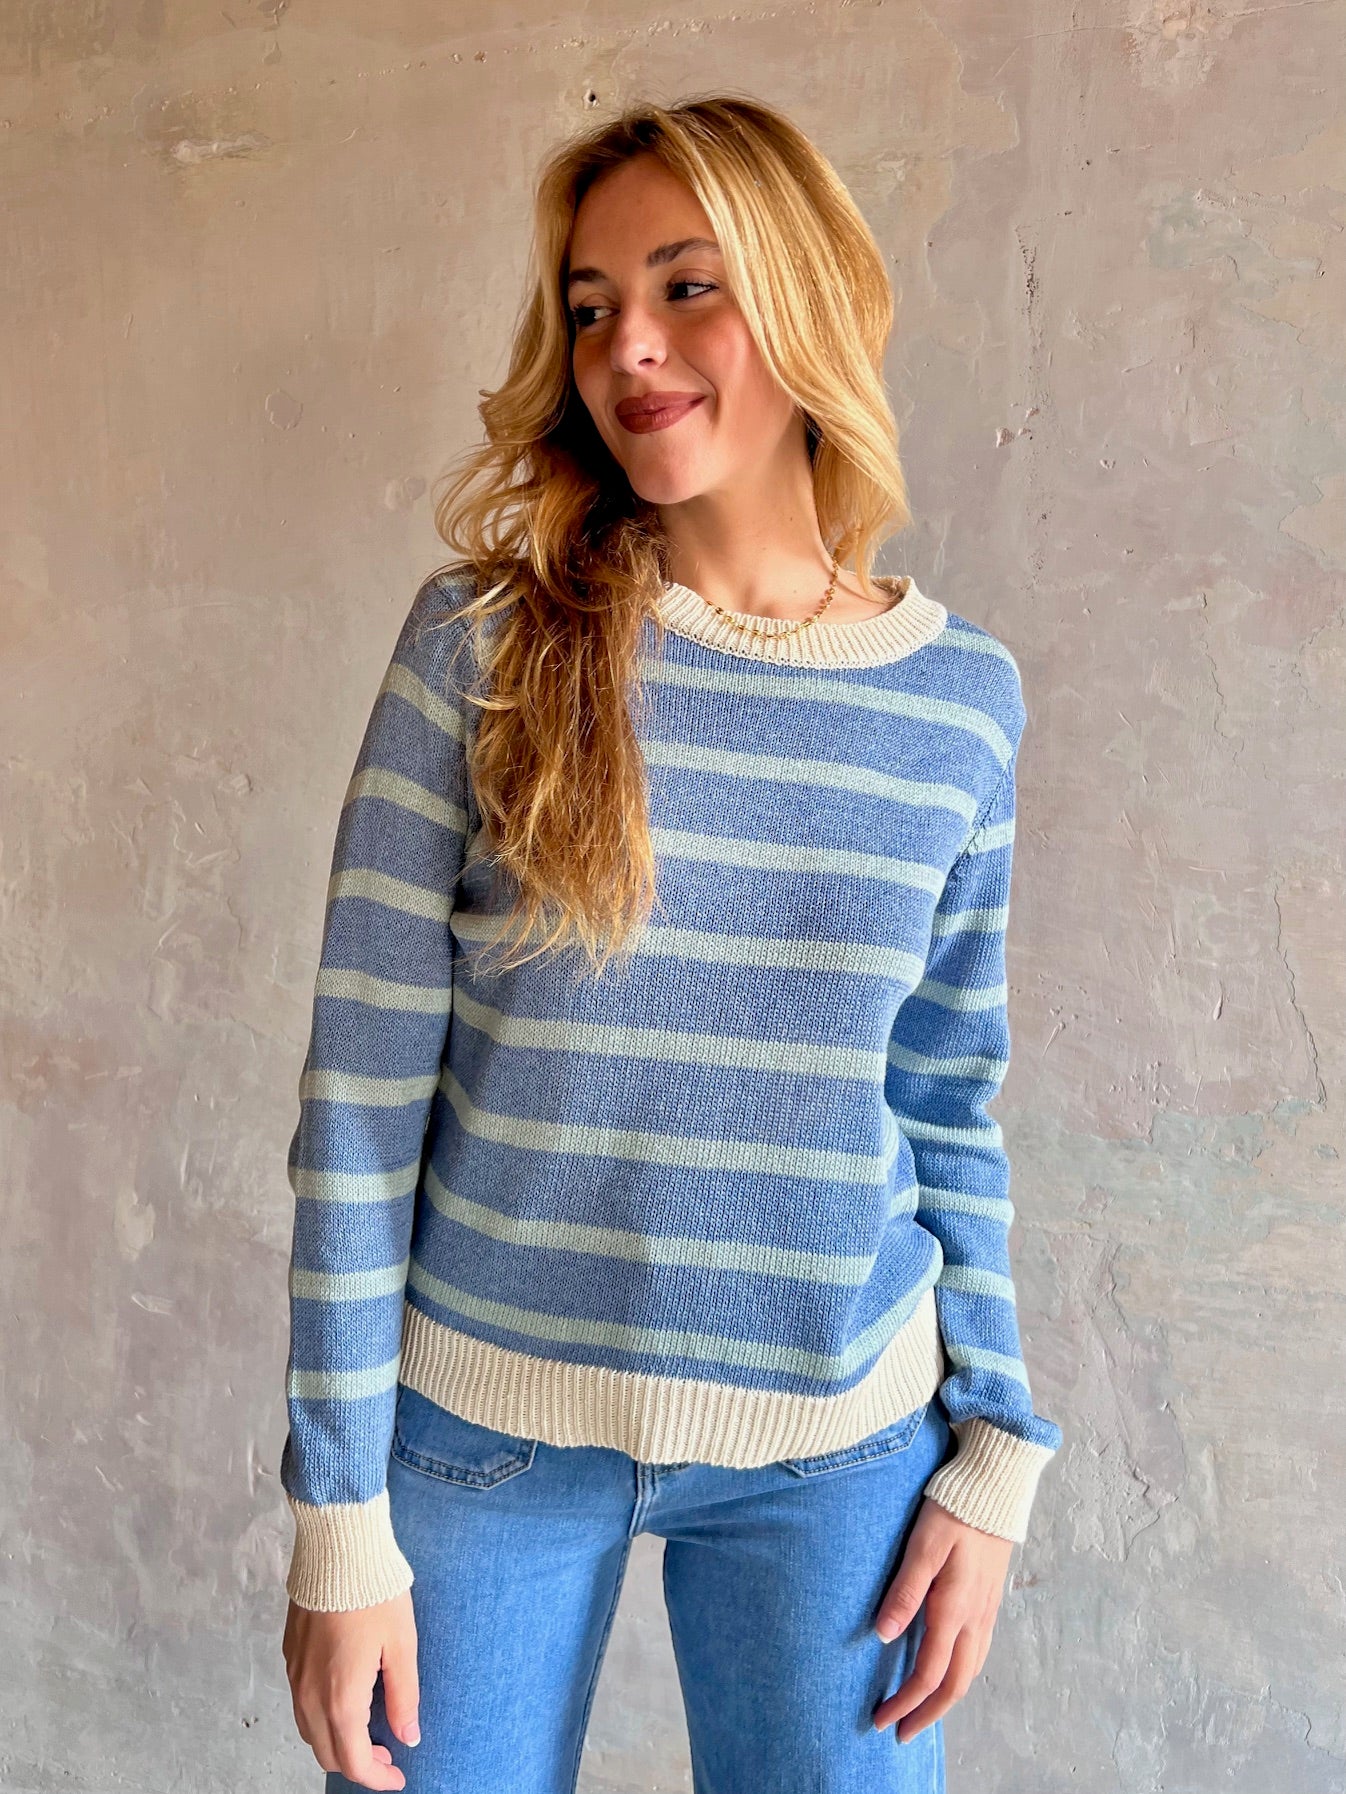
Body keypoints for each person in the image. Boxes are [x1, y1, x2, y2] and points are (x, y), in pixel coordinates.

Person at [279, 93, 1064, 1794]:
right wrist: (337, 1512)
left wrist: (993, 1448)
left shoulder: (959, 702)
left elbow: (945, 1097)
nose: (625, 345)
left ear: (805, 298)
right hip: (481, 1441)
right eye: (589, 305)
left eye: (684, 287)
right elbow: (360, 1101)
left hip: (840, 1456)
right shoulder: (483, 646)